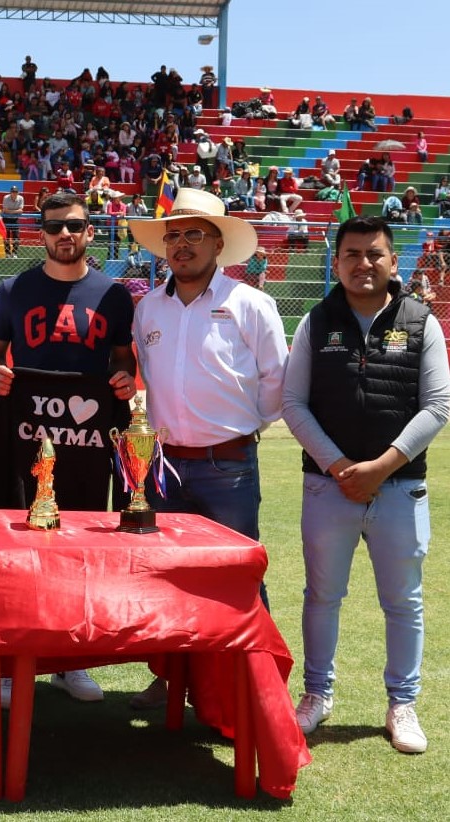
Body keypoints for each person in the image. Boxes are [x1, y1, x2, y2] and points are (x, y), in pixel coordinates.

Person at [282, 216, 450, 754]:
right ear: (336, 262)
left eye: (374, 253)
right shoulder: (316, 320)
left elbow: (438, 406)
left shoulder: (422, 321)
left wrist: (381, 466)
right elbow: (293, 405)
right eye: (352, 254)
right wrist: (337, 466)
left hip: (400, 490)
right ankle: (317, 695)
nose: (363, 264)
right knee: (322, 597)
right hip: (326, 489)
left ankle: (402, 704)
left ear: (393, 261)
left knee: (404, 602)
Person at [128, 188, 288, 709]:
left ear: (219, 244)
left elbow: (275, 385)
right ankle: (173, 678)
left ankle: (254, 686)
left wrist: (238, 429)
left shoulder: (251, 304)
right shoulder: (149, 308)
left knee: (240, 576)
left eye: (195, 234)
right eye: (173, 235)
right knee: (169, 578)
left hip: (229, 466)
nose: (181, 245)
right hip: (165, 466)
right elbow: (148, 382)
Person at [0, 192, 138, 708]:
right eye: (54, 227)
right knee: (15, 540)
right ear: (41, 234)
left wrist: (121, 383)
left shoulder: (114, 295)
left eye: (75, 225)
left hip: (87, 437)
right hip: (27, 431)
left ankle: (73, 660)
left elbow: (122, 364)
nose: (64, 234)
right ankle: (10, 659)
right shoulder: (12, 290)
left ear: (91, 231)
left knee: (82, 544)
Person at [1, 185, 25, 256]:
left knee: (16, 236)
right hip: (6, 219)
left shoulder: (21, 198)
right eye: (13, 192)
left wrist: (10, 212)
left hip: (15, 219)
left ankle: (14, 253)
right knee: (6, 236)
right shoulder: (6, 198)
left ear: (18, 193)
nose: (14, 193)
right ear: (10, 192)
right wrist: (15, 212)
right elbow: (5, 210)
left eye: (16, 192)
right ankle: (7, 253)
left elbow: (21, 210)